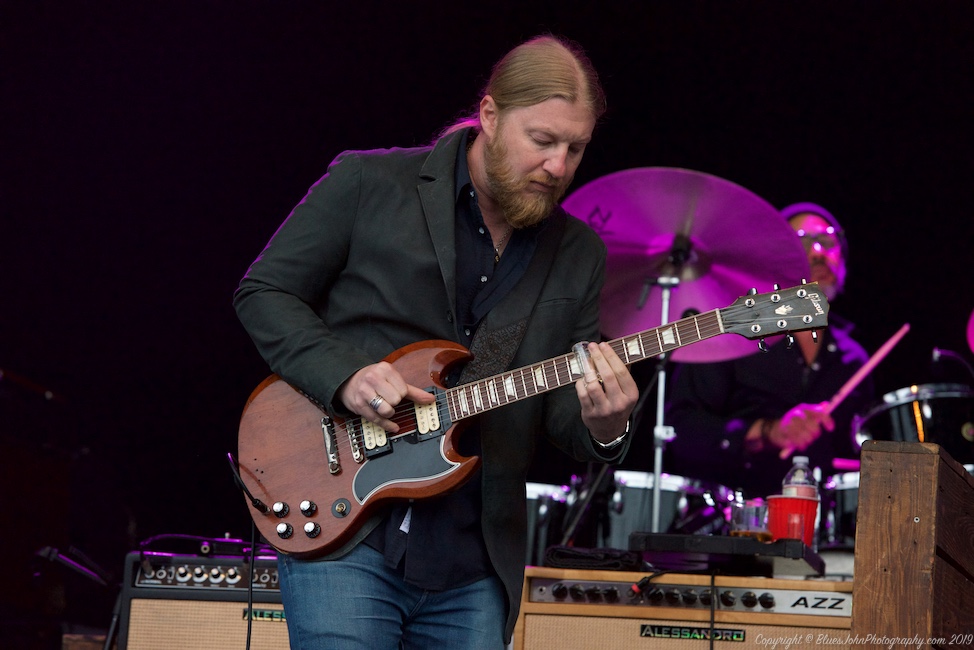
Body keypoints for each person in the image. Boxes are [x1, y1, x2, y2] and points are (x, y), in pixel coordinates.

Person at [233, 35, 637, 649]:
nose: (559, 166)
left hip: (472, 561)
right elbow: (264, 292)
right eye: (543, 141)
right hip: (347, 529)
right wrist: (346, 375)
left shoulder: (578, 253)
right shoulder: (368, 183)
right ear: (491, 115)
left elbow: (563, 417)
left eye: (575, 148)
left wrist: (606, 422)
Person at [661, 202, 874, 499]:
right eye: (802, 241)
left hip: (822, 529)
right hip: (730, 519)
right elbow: (682, 430)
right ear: (777, 257)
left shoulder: (854, 358)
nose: (818, 252)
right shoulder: (733, 326)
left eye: (827, 241)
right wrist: (765, 432)